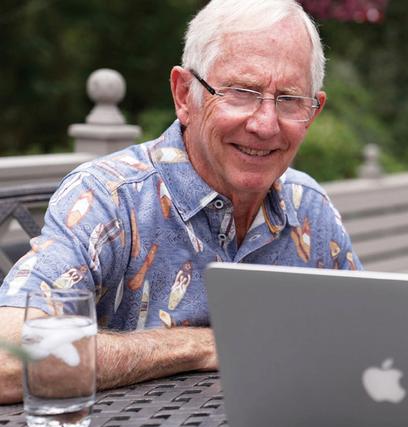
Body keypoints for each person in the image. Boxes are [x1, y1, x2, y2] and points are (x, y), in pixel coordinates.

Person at [0, 0, 361, 404]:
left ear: (313, 111)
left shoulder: (308, 206)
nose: (265, 124)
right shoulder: (108, 199)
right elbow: (8, 358)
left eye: (290, 99)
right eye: (241, 93)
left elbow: (370, 345)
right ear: (183, 94)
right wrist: (199, 347)